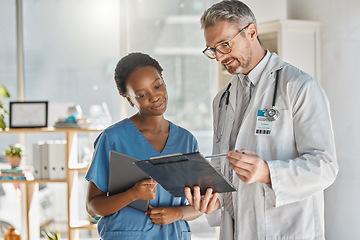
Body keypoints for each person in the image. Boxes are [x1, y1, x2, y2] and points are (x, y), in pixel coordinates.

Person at [184, 1, 339, 239]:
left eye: (224, 45)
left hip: (287, 229)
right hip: (237, 230)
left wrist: (269, 173)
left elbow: (325, 167)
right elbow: (222, 169)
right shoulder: (221, 100)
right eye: (212, 49)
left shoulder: (299, 87)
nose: (218, 57)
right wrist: (211, 200)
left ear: (252, 32)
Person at [86, 52, 202, 240]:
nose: (155, 97)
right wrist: (132, 194)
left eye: (157, 86)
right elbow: (93, 207)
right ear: (130, 99)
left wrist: (177, 214)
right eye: (141, 94)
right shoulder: (112, 139)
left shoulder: (186, 140)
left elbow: (200, 205)